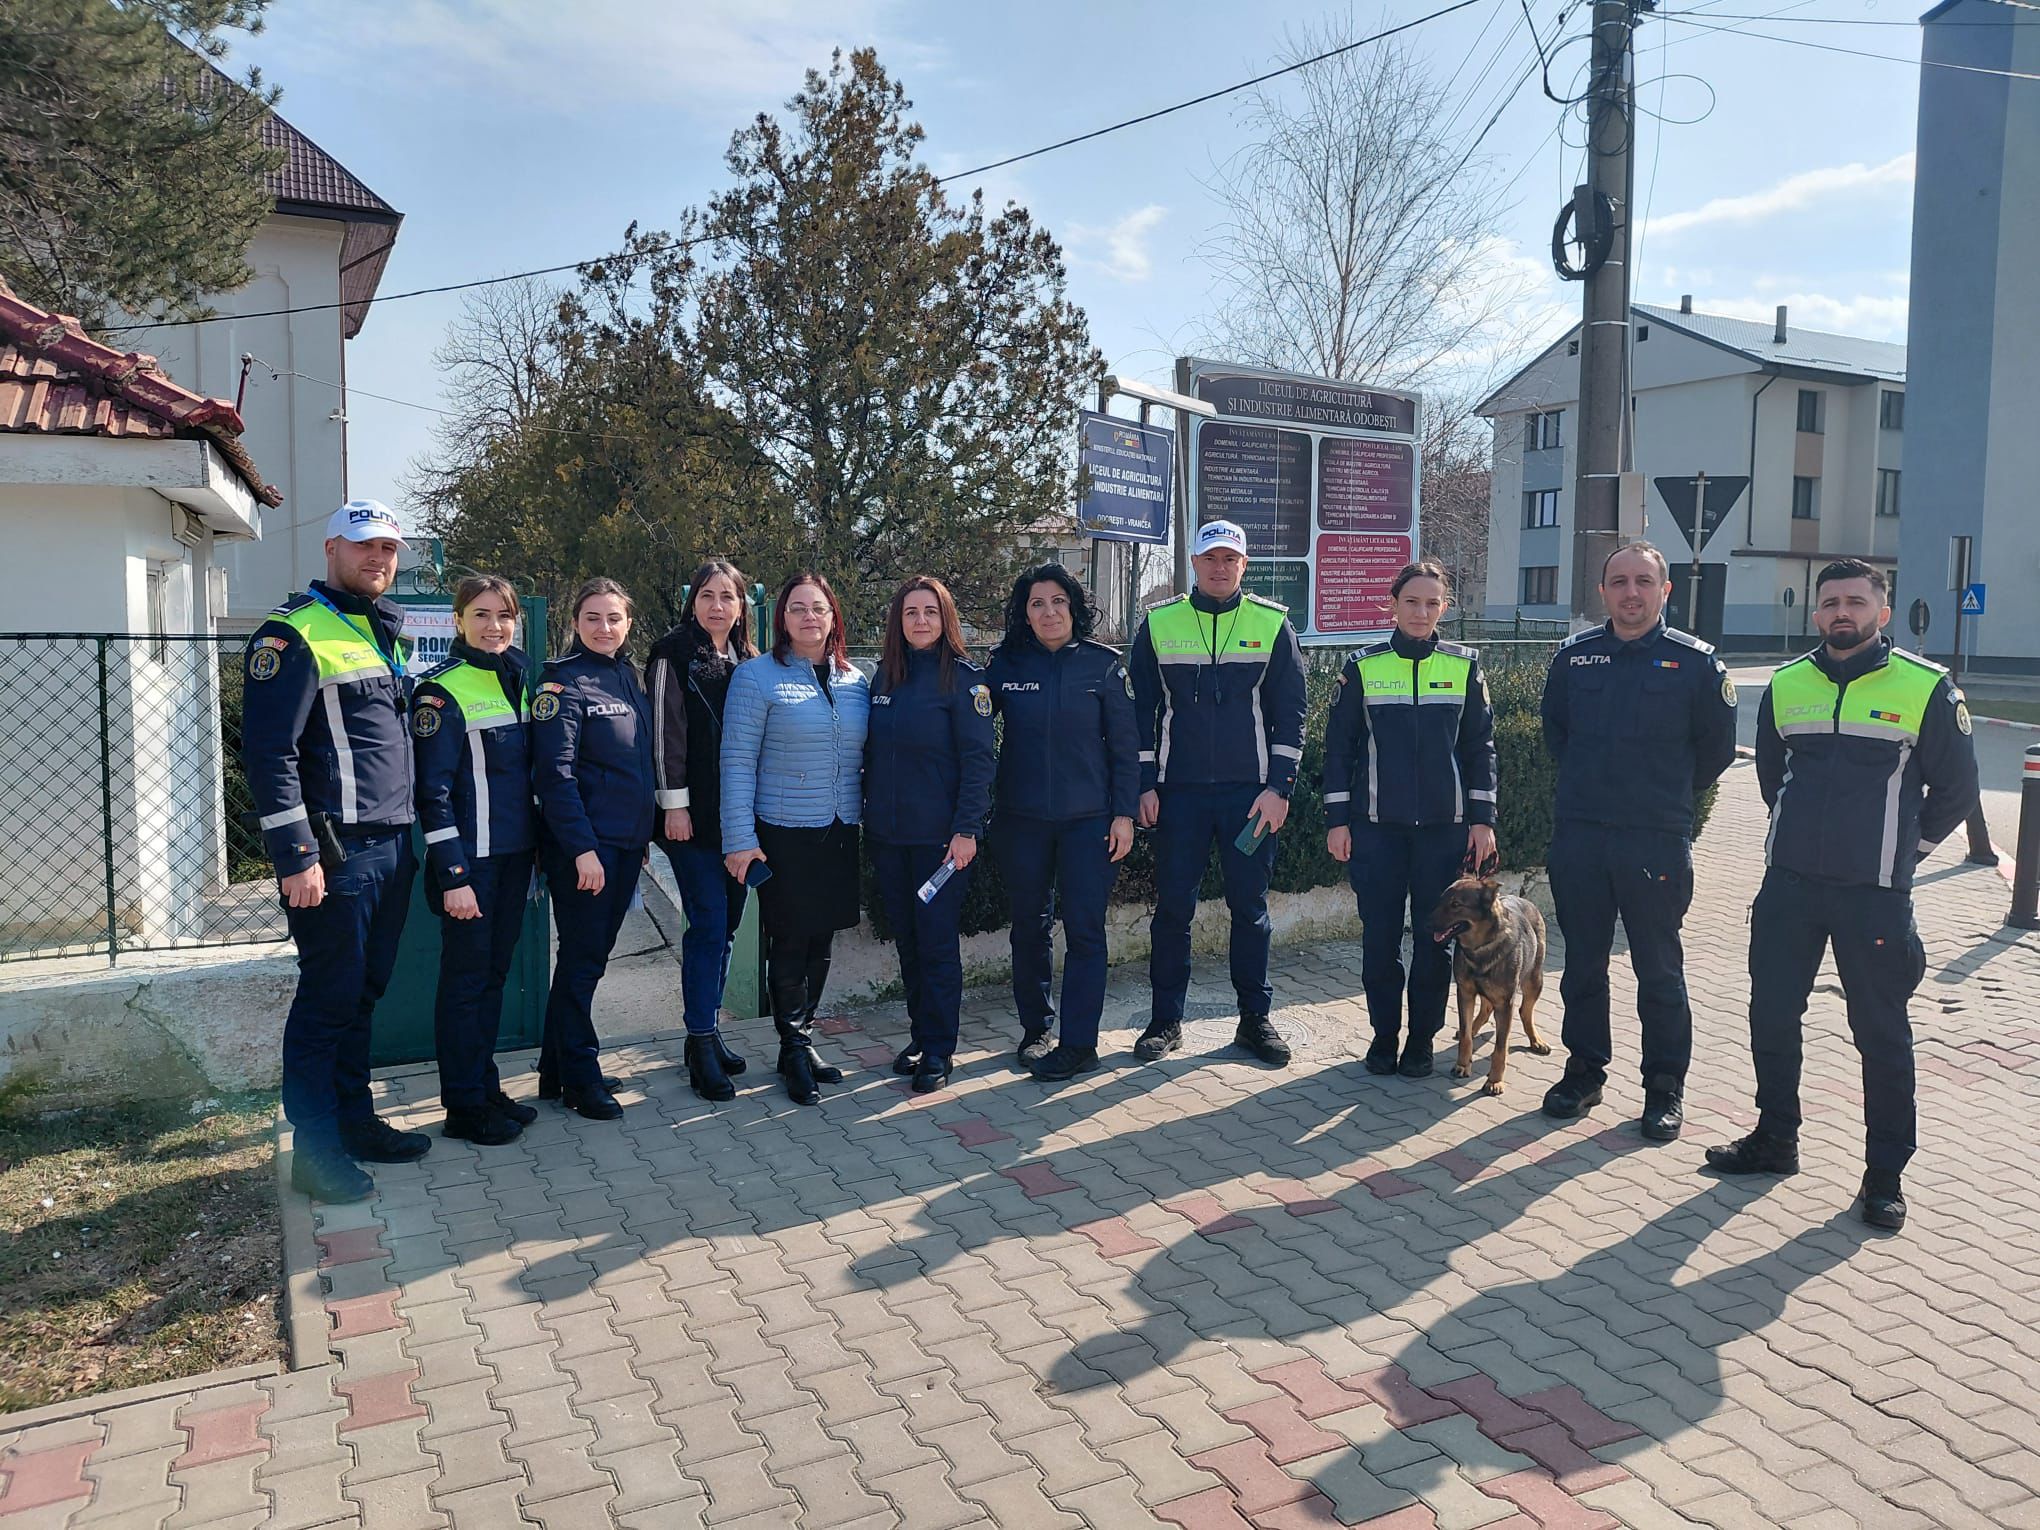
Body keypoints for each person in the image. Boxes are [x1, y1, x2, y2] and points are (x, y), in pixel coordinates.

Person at [1706, 559, 1978, 1231]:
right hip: (1790, 887)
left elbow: (1957, 791)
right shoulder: (1787, 683)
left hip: (1874, 896)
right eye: (1830, 602)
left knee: (1880, 1034)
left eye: (1856, 601)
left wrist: (1904, 856)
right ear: (1817, 612)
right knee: (1772, 1016)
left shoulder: (1926, 686)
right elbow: (1774, 777)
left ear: (1882, 612)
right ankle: (1775, 1139)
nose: (1841, 612)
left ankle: (1884, 1176)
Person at [242, 498, 424, 1203]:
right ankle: (315, 1153)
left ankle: (355, 1122)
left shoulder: (379, 630)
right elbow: (270, 754)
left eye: (387, 548)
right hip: (334, 855)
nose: (377, 558)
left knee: (364, 995)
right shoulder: (293, 634)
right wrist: (295, 857)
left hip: (391, 846)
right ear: (331, 549)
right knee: (328, 1000)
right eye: (363, 545)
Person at [1539, 541, 1739, 1139]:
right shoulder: (1574, 658)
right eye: (1619, 582)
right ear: (1603, 591)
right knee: (1582, 966)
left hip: (1655, 839)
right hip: (1581, 836)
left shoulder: (1696, 665)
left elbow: (1715, 753)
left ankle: (1664, 1088)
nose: (1631, 593)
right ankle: (1584, 1072)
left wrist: (1659, 796)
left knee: (1659, 969)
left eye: (1643, 581)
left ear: (1664, 590)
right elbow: (1557, 735)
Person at [1130, 520, 1308, 1067]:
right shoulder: (1159, 622)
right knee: (1172, 911)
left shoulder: (1272, 623)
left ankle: (1254, 1020)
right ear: (1193, 562)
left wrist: (1279, 789)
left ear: (1244, 565)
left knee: (1249, 909)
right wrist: (1144, 785)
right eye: (1210, 558)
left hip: (1249, 798)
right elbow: (1140, 713)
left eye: (1230, 558)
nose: (1220, 567)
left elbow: (1292, 714)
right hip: (1178, 795)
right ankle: (1165, 1021)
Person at [1321, 561, 1498, 1078]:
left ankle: (1421, 1040)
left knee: (1433, 941)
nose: (1421, 612)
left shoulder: (1465, 666)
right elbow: (1339, 750)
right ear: (1393, 605)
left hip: (1445, 832)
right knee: (1379, 940)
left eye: (1432, 603)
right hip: (1376, 830)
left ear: (1445, 608)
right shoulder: (1362, 666)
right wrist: (1337, 820)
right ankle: (1383, 1037)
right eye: (1412, 602)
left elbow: (1480, 748)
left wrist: (1483, 820)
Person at [722, 572, 871, 1106]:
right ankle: (792, 1047)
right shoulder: (756, 677)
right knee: (789, 939)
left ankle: (803, 1039)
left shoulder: (856, 679)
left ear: (833, 617)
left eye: (819, 608)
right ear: (782, 618)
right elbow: (736, 762)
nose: (810, 617)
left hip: (839, 828)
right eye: (798, 608)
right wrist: (739, 839)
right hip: (782, 832)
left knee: (822, 939)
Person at [988, 563, 1138, 1081]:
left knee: (1085, 931)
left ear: (1073, 607)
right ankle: (1036, 1030)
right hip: (1021, 821)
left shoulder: (1104, 666)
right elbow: (971, 727)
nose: (1048, 612)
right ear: (1024, 613)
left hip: (1089, 823)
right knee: (1028, 928)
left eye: (1058, 601)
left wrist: (1124, 814)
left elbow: (1126, 750)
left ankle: (1079, 1043)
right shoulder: (1004, 664)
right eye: (1037, 603)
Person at [412, 575, 539, 1146]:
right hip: (472, 866)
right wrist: (453, 875)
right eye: (482, 614)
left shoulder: (517, 677)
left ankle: (484, 1088)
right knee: (466, 985)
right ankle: (462, 1106)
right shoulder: (440, 691)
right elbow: (432, 793)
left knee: (493, 979)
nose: (494, 626)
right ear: (458, 621)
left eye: (504, 616)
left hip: (513, 859)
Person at [531, 577, 655, 1121]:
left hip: (625, 845)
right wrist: (582, 849)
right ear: (575, 623)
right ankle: (581, 1078)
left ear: (628, 624)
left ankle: (554, 1068)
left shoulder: (628, 675)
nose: (604, 628)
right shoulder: (562, 682)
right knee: (583, 963)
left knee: (587, 960)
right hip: (586, 851)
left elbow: (635, 766)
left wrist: (641, 837)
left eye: (614, 618)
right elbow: (554, 776)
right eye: (592, 618)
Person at [865, 577, 996, 1093]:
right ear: (898, 621)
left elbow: (979, 763)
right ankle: (921, 1036)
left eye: (930, 612)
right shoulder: (885, 677)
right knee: (909, 942)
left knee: (937, 945)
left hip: (941, 845)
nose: (920, 621)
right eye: (911, 612)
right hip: (888, 838)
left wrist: (967, 830)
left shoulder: (964, 681)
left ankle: (940, 1049)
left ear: (946, 619)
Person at [647, 561, 757, 1102]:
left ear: (740, 606)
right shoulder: (672, 653)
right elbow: (663, 733)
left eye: (727, 597)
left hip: (737, 820)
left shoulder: (749, 659)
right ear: (693, 601)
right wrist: (674, 804)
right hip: (690, 820)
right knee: (708, 925)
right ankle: (699, 1041)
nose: (717, 606)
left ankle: (708, 1031)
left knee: (729, 926)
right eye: (707, 595)